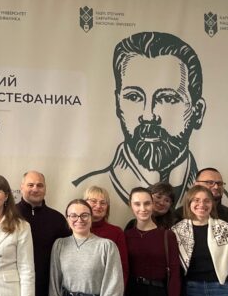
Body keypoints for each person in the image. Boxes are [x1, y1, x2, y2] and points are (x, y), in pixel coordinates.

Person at [73, 32, 205, 203]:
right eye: (134, 97)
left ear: (197, 112)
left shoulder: (223, 203)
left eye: (167, 98)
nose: (148, 116)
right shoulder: (82, 190)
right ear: (117, 104)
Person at [48, 200, 124, 296]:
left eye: (84, 215)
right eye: (73, 215)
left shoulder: (106, 246)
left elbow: (114, 286)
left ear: (91, 217)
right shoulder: (59, 245)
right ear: (67, 219)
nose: (79, 219)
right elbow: (54, 284)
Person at [15, 171, 70, 296]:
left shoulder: (57, 219)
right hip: (13, 292)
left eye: (40, 185)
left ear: (45, 189)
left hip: (47, 294)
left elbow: (67, 256)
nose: (35, 189)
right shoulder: (9, 215)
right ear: (21, 187)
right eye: (30, 185)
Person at [124, 187, 180, 296]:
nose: (143, 208)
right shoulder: (125, 235)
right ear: (130, 205)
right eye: (137, 204)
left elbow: (175, 275)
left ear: (152, 204)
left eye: (147, 203)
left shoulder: (167, 236)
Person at [84, 186, 129, 286]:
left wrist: (117, 293)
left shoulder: (116, 232)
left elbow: (122, 268)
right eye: (93, 201)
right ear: (84, 203)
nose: (98, 206)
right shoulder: (74, 230)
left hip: (107, 291)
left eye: (103, 203)